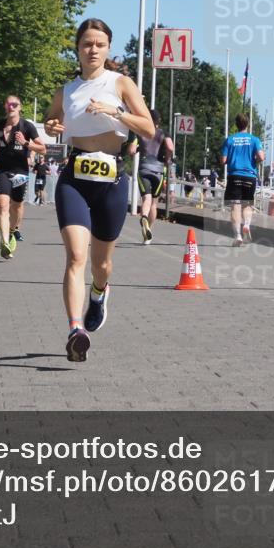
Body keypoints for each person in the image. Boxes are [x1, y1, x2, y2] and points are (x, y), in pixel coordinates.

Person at [44, 18, 155, 363]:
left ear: (108, 49)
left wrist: (117, 112)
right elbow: (52, 123)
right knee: (76, 256)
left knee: (101, 263)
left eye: (99, 44)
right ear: (77, 48)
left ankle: (99, 292)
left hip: (112, 178)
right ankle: (75, 329)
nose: (92, 50)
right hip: (75, 178)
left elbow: (149, 129)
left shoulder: (121, 83)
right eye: (86, 44)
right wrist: (51, 125)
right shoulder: (66, 91)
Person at [0, 95, 45, 259]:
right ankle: (5, 242)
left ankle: (12, 231)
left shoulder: (27, 126)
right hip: (1, 170)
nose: (11, 106)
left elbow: (43, 149)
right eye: (8, 104)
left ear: (20, 107)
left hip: (20, 171)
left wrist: (26, 143)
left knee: (17, 206)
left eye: (14, 104)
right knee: (3, 206)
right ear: (5, 107)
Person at [125, 108, 174, 245]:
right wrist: (168, 159)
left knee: (146, 198)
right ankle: (148, 233)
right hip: (158, 171)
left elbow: (131, 150)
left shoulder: (140, 132)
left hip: (144, 169)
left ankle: (144, 217)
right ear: (159, 121)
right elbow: (170, 147)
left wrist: (138, 150)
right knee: (154, 202)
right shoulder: (164, 133)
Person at [220, 113, 265, 247]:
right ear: (247, 124)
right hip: (249, 176)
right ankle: (246, 225)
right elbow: (261, 157)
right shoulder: (255, 140)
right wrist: (253, 162)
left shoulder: (229, 140)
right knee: (247, 204)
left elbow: (223, 160)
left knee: (235, 206)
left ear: (236, 124)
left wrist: (233, 159)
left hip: (234, 175)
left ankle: (238, 236)